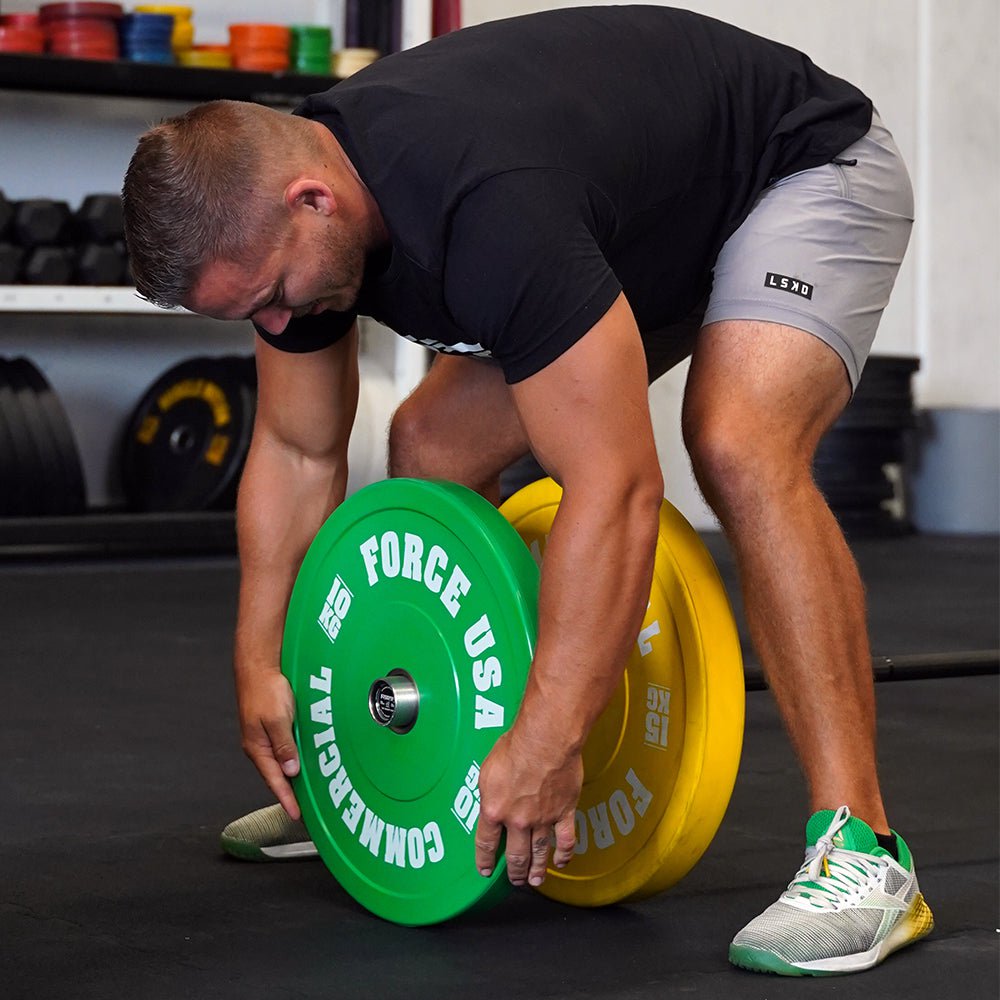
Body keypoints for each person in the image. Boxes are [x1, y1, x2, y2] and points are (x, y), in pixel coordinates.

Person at [122, 5, 931, 976]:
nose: (279, 320)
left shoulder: (484, 203)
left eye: (275, 295)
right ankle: (448, 769)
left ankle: (865, 855)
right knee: (429, 442)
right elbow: (297, 450)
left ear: (312, 200)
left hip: (795, 167)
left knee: (736, 442)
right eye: (253, 312)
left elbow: (616, 488)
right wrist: (259, 656)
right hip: (635, 224)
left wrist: (552, 731)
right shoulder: (286, 219)